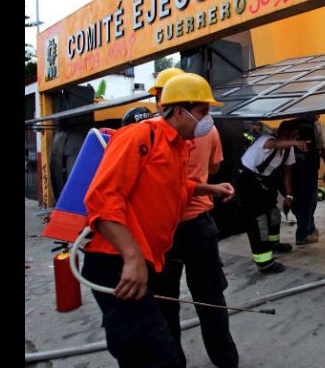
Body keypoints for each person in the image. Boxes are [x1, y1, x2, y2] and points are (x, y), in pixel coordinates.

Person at [81, 73, 235, 367]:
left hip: (145, 259)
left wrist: (209, 189)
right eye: (203, 112)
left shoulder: (178, 146)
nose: (208, 119)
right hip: (115, 261)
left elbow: (177, 188)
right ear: (179, 112)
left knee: (149, 349)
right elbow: (102, 200)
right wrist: (132, 257)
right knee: (154, 354)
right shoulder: (140, 136)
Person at [149, 72, 239, 367]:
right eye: (204, 111)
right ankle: (226, 361)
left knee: (167, 302)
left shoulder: (154, 132)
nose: (207, 118)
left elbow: (171, 183)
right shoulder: (198, 134)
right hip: (194, 224)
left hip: (167, 227)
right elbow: (213, 168)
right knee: (210, 298)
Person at [235, 120, 308, 273]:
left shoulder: (289, 149)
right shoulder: (267, 140)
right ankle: (264, 262)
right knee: (258, 220)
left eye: (294, 136)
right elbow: (274, 144)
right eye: (287, 135)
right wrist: (294, 143)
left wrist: (289, 195)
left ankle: (274, 245)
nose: (291, 138)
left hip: (263, 180)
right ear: (279, 134)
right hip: (246, 178)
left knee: (274, 214)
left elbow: (287, 171)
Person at [293, 114, 325, 245]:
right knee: (309, 201)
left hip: (292, 169)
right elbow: (324, 149)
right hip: (308, 169)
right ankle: (303, 235)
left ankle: (310, 228)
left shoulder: (290, 124)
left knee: (300, 200)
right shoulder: (317, 126)